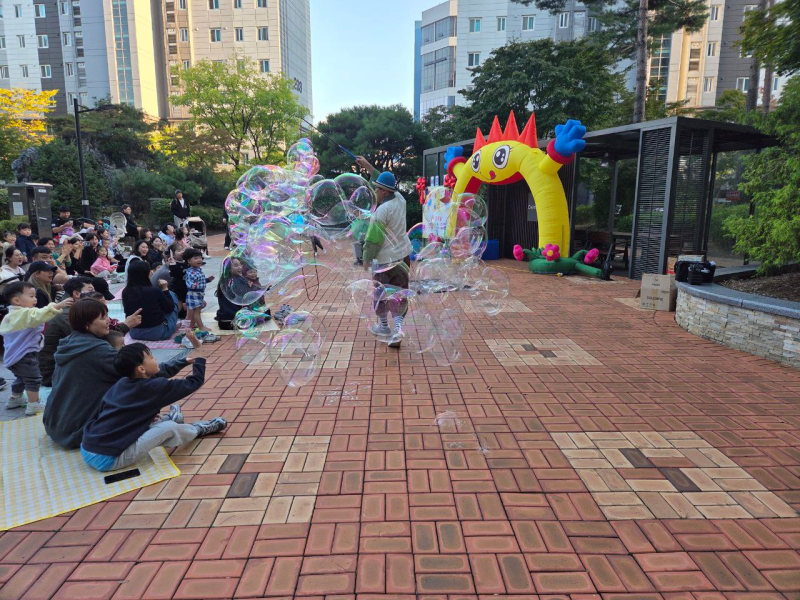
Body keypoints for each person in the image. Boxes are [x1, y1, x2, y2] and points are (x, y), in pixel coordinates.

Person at [80, 343, 226, 472]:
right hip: (109, 459)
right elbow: (193, 382)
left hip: (87, 447)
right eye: (151, 357)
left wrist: (184, 361)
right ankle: (198, 429)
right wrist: (200, 359)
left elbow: (158, 372)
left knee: (154, 421)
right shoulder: (154, 387)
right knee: (168, 428)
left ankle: (169, 419)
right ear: (141, 369)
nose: (155, 359)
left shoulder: (122, 383)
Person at [355, 157, 413, 348]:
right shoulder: (400, 200)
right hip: (403, 258)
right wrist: (368, 166)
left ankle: (384, 327)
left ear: (384, 192)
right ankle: (397, 330)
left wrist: (366, 259)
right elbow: (383, 178)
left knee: (380, 294)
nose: (375, 191)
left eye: (377, 189)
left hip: (385, 262)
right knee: (399, 294)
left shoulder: (381, 211)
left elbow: (373, 241)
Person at [1, 281, 73, 414]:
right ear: (17, 300)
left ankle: (14, 398)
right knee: (33, 379)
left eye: (35, 296)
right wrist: (58, 305)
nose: (35, 299)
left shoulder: (11, 315)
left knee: (22, 378)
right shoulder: (24, 314)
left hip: (13, 356)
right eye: (31, 296)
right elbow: (40, 315)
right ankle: (33, 405)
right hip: (25, 355)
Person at [39, 277, 95, 387]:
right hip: (53, 374)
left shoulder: (69, 308)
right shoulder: (66, 313)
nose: (94, 295)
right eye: (90, 291)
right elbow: (88, 341)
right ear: (76, 293)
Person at [123, 259, 180, 341]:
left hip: (134, 332)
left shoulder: (126, 291)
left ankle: (170, 325)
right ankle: (171, 326)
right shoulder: (154, 290)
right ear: (146, 274)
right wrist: (165, 289)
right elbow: (170, 308)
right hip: (157, 333)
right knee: (171, 295)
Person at [183, 248, 217, 338]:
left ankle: (192, 325)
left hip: (198, 294)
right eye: (196, 258)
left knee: (196, 310)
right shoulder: (190, 271)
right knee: (197, 311)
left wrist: (208, 280)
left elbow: (200, 280)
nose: (199, 260)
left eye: (200, 258)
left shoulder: (197, 270)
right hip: (193, 293)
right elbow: (188, 281)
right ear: (189, 261)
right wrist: (192, 285)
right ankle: (201, 327)